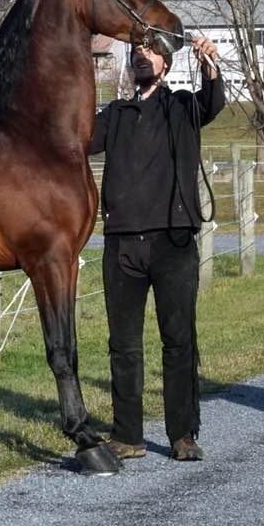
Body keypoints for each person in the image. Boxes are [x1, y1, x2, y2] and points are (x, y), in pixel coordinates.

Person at [89, 36, 224, 461]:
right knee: (123, 344)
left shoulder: (182, 106)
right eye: (136, 52)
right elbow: (79, 139)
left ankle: (182, 435)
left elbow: (214, 101)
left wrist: (209, 65)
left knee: (178, 340)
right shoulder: (114, 114)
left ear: (166, 62)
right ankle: (128, 436)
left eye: (150, 51)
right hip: (123, 244)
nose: (141, 56)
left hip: (174, 240)